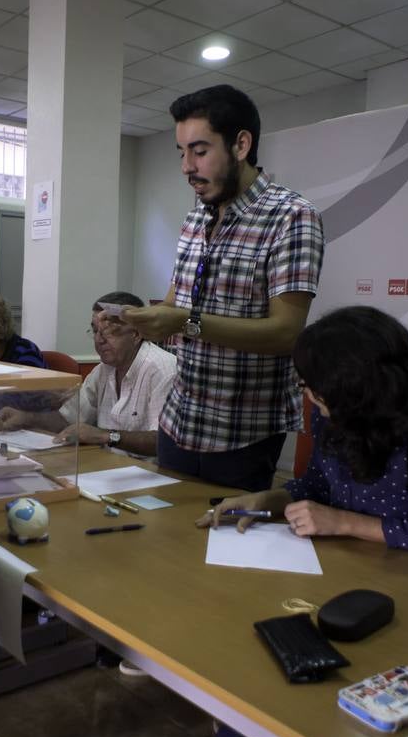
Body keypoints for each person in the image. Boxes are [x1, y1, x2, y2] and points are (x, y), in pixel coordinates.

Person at [178, 306, 408, 737]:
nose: (307, 397)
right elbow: (313, 487)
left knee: (345, 656)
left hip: (403, 585)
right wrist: (265, 499)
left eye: (313, 386)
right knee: (251, 631)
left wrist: (343, 522)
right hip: (332, 568)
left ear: (355, 386)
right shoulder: (335, 418)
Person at [124, 84, 323, 492]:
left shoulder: (291, 217)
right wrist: (144, 320)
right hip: (178, 421)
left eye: (200, 151)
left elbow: (286, 333)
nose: (186, 166)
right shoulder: (195, 218)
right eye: (181, 153)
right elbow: (177, 303)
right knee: (166, 544)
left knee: (222, 547)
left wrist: (184, 320)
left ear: (241, 145)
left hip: (242, 434)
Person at [0, 291, 176, 456]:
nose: (99, 339)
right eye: (96, 331)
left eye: (109, 331)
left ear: (136, 334)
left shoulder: (162, 370)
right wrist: (26, 418)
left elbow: (163, 441)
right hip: (110, 468)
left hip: (152, 476)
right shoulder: (103, 370)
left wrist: (105, 436)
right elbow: (68, 419)